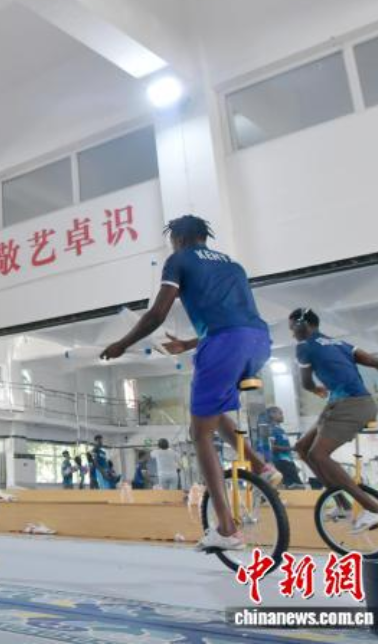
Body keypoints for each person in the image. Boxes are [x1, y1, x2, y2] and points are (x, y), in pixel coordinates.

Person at [101, 216, 281, 552]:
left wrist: (122, 344)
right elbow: (236, 320)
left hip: (224, 345)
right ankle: (261, 466)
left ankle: (226, 529)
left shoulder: (179, 259)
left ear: (179, 238)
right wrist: (187, 344)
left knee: (199, 434)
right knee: (212, 413)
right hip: (258, 342)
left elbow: (156, 314)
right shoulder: (233, 266)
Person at [290, 307, 378, 531]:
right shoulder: (340, 344)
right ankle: (343, 505)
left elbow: (306, 383)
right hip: (349, 404)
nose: (292, 333)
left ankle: (375, 509)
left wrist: (316, 389)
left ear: (303, 325)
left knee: (318, 455)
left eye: (293, 328)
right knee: (302, 448)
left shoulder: (304, 347)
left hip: (350, 405)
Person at [264, 407, 303, 488]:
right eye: (280, 413)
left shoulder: (281, 430)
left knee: (295, 486)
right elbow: (272, 447)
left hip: (288, 461)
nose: (282, 416)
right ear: (272, 415)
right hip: (281, 462)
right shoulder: (271, 429)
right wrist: (291, 448)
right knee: (297, 486)